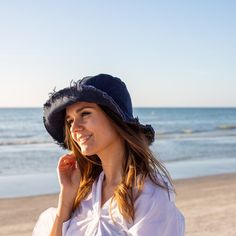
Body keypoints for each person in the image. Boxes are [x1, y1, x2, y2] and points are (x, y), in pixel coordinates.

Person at [33, 73, 185, 236]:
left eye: (85, 114)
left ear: (115, 118)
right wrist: (66, 197)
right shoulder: (85, 191)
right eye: (70, 121)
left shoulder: (149, 191)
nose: (74, 128)